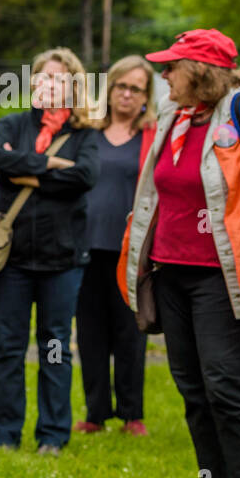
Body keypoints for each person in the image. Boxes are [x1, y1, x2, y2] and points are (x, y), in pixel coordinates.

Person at [123, 29, 240, 478]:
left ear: (200, 71)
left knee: (225, 383)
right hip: (169, 270)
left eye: (171, 66)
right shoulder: (172, 119)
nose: (163, 75)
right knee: (191, 384)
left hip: (221, 275)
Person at [0, 47, 100, 454]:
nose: (46, 85)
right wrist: (52, 167)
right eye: (41, 77)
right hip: (12, 257)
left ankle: (52, 434)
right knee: (8, 346)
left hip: (62, 260)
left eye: (56, 79)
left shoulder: (86, 134)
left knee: (55, 346)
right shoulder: (12, 123)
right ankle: (4, 433)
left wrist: (27, 168)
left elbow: (85, 176)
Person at [75, 55, 156, 437]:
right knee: (90, 333)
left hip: (131, 250)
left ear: (145, 96)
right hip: (85, 246)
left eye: (135, 88)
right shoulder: (87, 132)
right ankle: (95, 413)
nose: (126, 94)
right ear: (110, 90)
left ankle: (131, 413)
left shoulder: (152, 136)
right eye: (121, 85)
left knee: (129, 333)